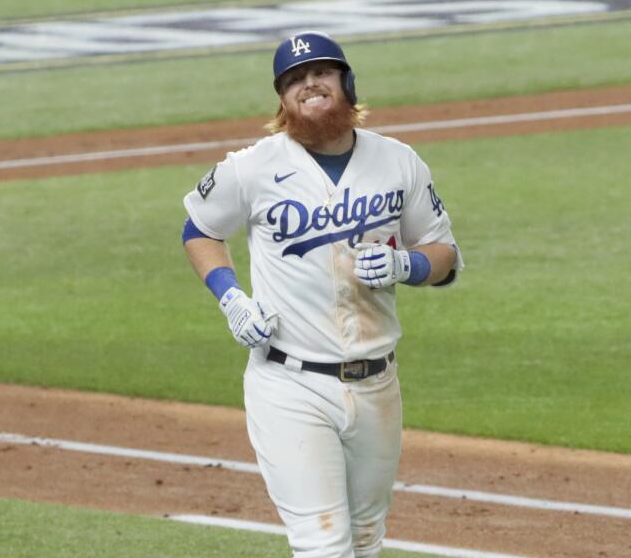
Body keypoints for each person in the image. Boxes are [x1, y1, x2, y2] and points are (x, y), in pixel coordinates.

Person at [181, 30, 463, 558]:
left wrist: (408, 264)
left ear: (346, 83)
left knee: (364, 539)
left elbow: (445, 255)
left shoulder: (398, 161)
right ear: (282, 101)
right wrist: (231, 298)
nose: (309, 83)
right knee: (323, 544)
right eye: (293, 80)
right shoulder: (251, 167)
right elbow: (198, 229)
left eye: (321, 73)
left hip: (378, 382)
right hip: (290, 385)